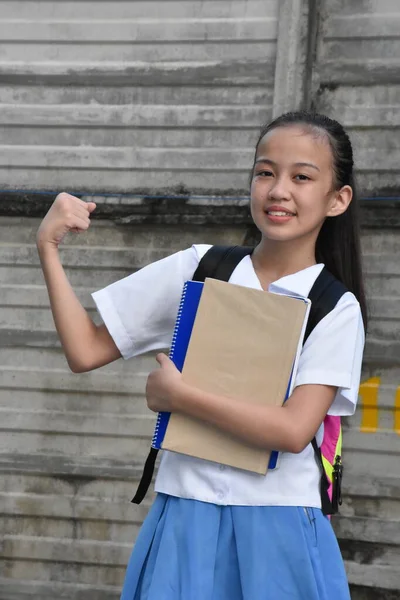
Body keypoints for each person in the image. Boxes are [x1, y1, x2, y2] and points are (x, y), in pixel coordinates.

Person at [36, 111, 366, 600]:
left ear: (337, 199)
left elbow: (294, 431)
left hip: (278, 527)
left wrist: (180, 396)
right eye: (265, 172)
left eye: (301, 177)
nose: (278, 190)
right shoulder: (199, 268)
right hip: (184, 514)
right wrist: (47, 246)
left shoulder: (335, 307)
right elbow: (85, 350)